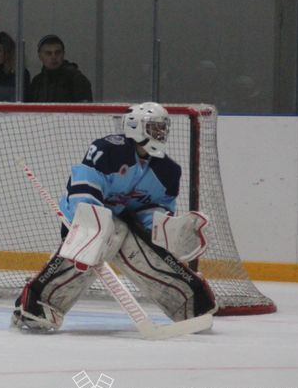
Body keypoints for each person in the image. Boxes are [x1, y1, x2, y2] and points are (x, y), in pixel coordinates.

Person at [11, 101, 217, 332]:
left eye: (163, 128)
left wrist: (166, 229)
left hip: (121, 223)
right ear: (135, 126)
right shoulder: (108, 150)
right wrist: (91, 227)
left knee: (142, 251)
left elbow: (154, 208)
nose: (160, 133)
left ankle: (190, 303)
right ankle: (36, 306)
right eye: (154, 127)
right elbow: (85, 187)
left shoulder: (167, 170)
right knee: (109, 233)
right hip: (84, 219)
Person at [23, 34, 92, 103]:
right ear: (40, 56)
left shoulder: (76, 79)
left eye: (57, 52)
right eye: (48, 53)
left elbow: (84, 107)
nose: (53, 57)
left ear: (63, 54)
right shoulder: (37, 82)